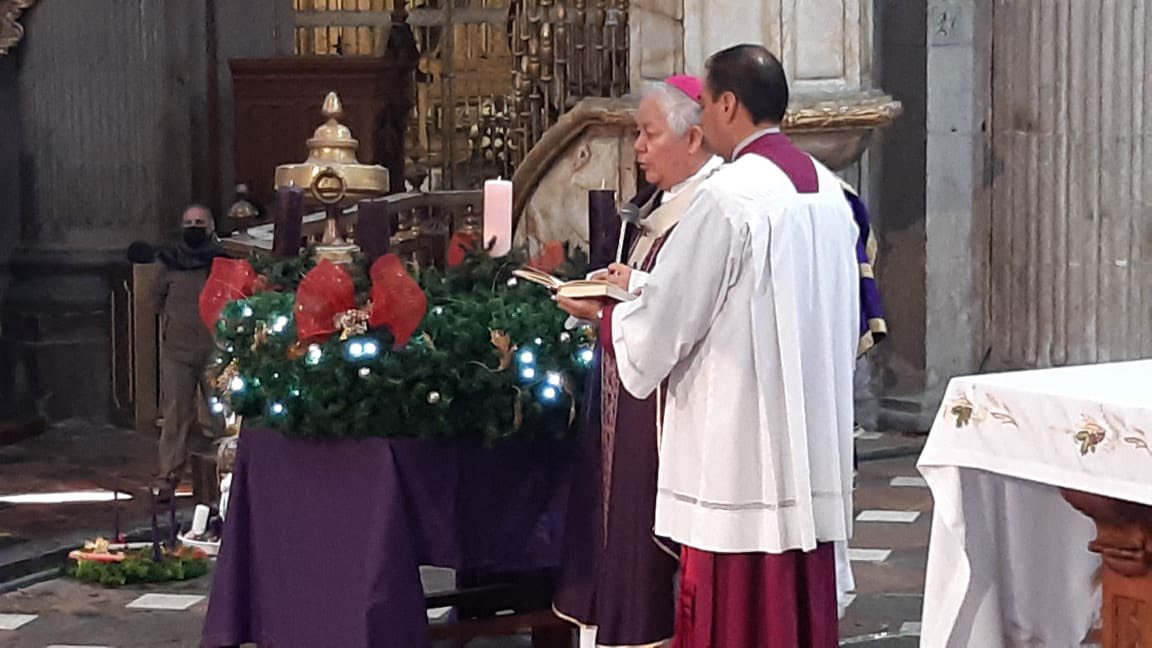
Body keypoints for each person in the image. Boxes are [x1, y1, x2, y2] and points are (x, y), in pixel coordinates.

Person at [556, 45, 859, 647]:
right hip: (807, 433)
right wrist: (644, 287)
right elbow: (764, 299)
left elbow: (670, 322)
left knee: (734, 609)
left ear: (727, 104)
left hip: (739, 444)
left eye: (705, 104)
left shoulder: (728, 198)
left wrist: (607, 318)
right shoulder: (828, 191)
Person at [552, 76, 722, 648]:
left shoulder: (712, 208)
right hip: (626, 390)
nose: (638, 148)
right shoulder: (667, 207)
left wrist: (606, 311)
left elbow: (691, 309)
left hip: (665, 406)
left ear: (693, 137)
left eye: (648, 134)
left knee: (640, 533)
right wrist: (632, 283)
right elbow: (670, 293)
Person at [148, 205, 228, 500]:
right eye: (189, 222)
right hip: (178, 351)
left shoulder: (222, 260)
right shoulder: (170, 262)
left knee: (222, 414)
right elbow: (155, 299)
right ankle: (168, 476)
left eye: (200, 222)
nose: (194, 227)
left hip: (214, 350)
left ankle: (228, 473)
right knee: (175, 415)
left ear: (210, 227)